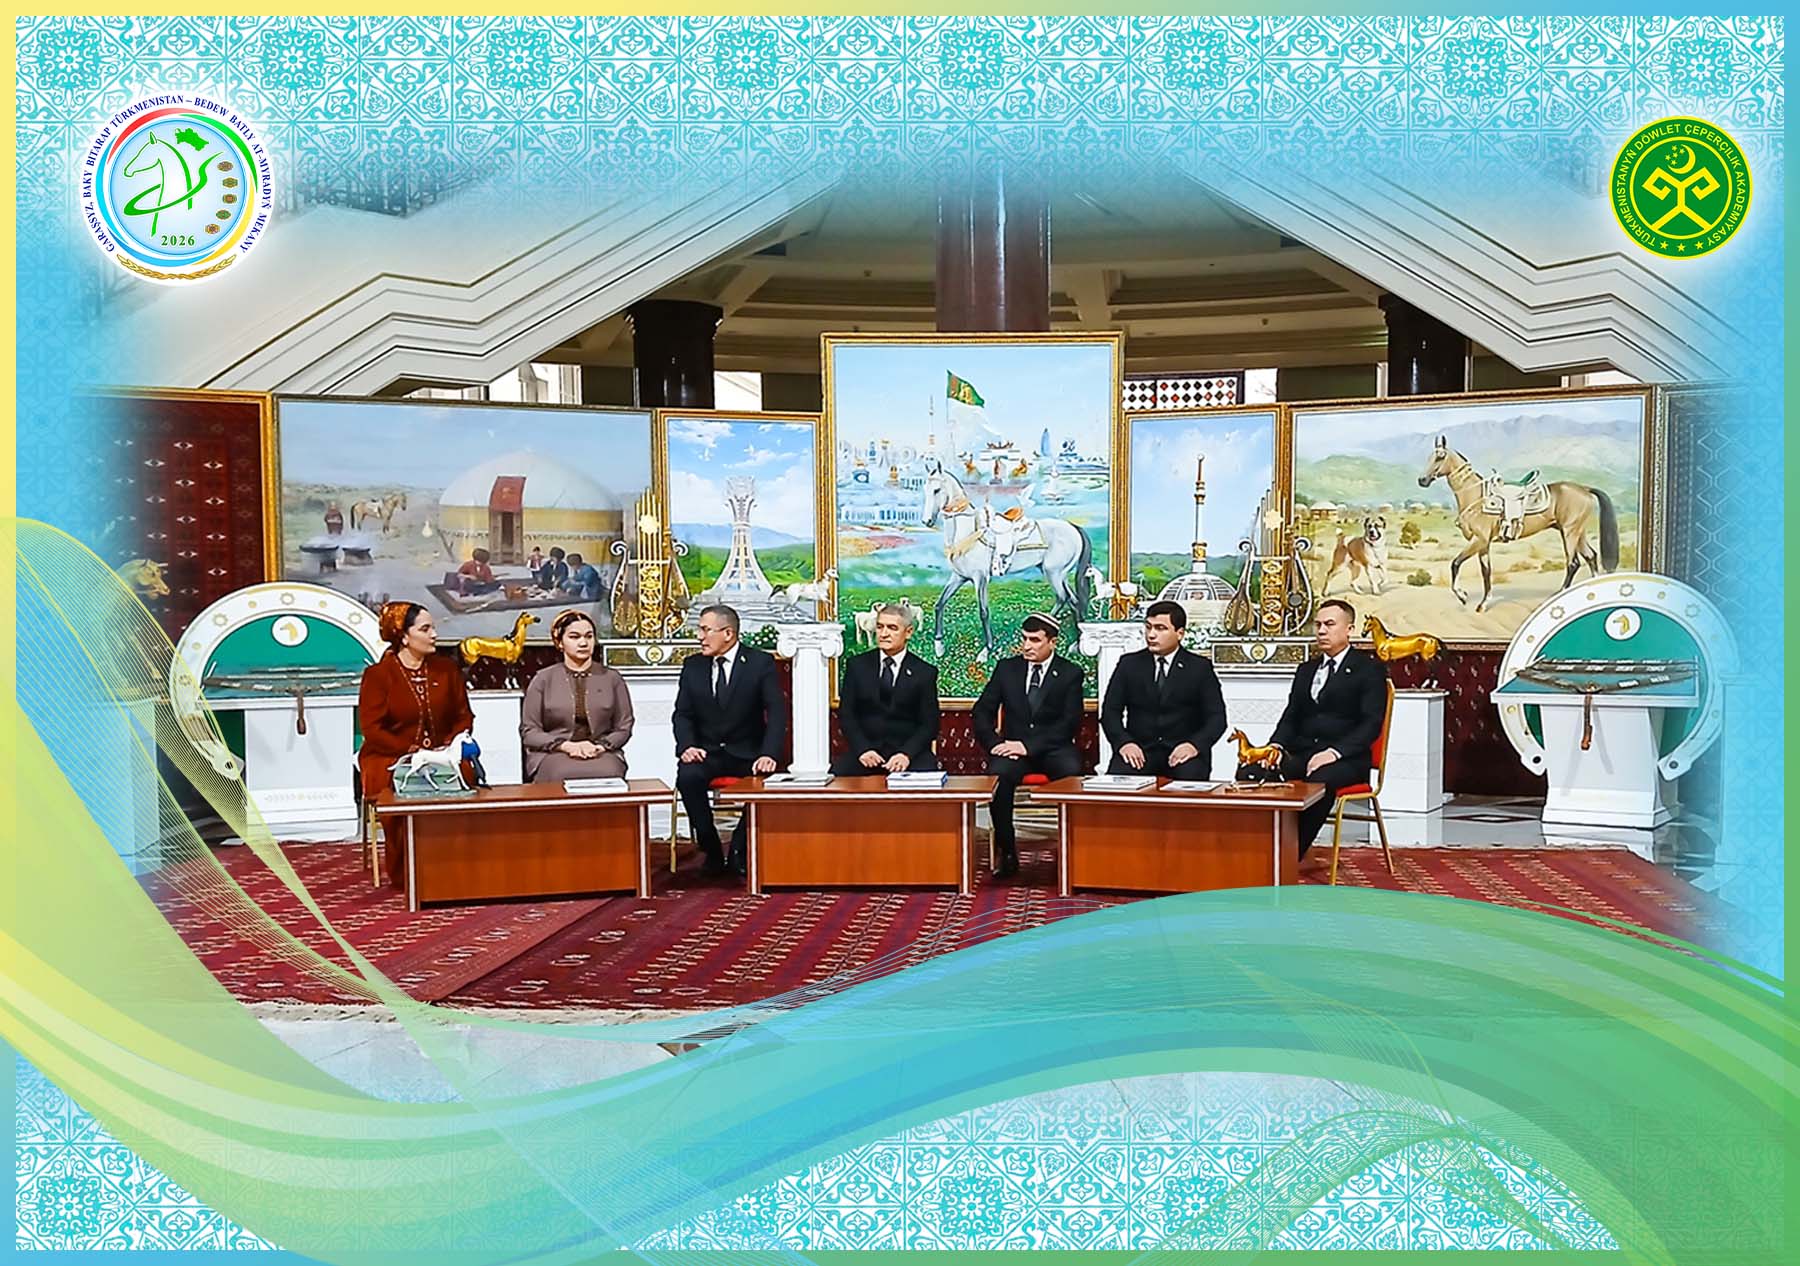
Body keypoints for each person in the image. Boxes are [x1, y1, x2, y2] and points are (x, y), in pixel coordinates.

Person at [1238, 598, 1388, 858]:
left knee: (1319, 781)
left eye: (1329, 624)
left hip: (1346, 759)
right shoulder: (1306, 669)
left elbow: (1370, 724)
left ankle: (1289, 854)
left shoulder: (1369, 670)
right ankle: (1252, 848)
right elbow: (1291, 716)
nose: (1321, 631)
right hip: (1303, 752)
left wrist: (1333, 753)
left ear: (1349, 629)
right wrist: (1274, 747)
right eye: (1318, 625)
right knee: (1251, 770)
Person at [672, 604, 787, 876]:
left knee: (768, 782)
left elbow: (777, 712)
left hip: (749, 753)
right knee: (687, 777)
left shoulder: (759, 663)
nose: (699, 636)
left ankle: (739, 849)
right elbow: (682, 714)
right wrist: (687, 746)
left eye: (705, 630)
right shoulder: (693, 666)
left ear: (728, 633)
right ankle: (710, 848)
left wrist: (769, 753)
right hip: (707, 752)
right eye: (699, 629)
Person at [972, 612, 1084, 878]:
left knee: (1072, 771)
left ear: (1052, 642)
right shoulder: (1007, 669)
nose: (1027, 646)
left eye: (1035, 640)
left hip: (1053, 748)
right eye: (1024, 639)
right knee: (999, 776)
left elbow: (1070, 723)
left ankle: (1073, 851)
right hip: (1012, 750)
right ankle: (1007, 851)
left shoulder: (1070, 673)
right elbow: (982, 711)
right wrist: (994, 744)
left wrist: (1028, 746)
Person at [357, 602, 476, 805]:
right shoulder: (378, 675)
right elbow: (372, 730)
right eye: (425, 629)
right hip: (391, 755)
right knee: (389, 778)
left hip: (441, 754)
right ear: (404, 636)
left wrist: (449, 747)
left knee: (462, 770)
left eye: (433, 628)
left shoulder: (447, 670)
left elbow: (464, 717)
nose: (434, 635)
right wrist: (412, 750)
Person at [1100, 599, 1226, 780]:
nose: (1151, 635)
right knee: (1117, 784)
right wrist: (1124, 743)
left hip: (1182, 752)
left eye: (1160, 628)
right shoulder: (1129, 664)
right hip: (1138, 751)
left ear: (1180, 633)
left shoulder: (1199, 668)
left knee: (1189, 779)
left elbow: (1217, 718)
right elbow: (1110, 712)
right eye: (1148, 627)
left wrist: (1193, 746)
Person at [520, 609, 634, 781]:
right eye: (574, 637)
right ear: (560, 642)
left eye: (589, 636)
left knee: (609, 772)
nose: (583, 643)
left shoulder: (612, 678)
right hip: (553, 753)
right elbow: (529, 731)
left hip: (601, 752)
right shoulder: (543, 679)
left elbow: (624, 726)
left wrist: (601, 747)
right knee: (559, 773)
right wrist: (565, 746)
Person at [833, 602, 940, 776]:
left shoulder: (924, 672)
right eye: (880, 627)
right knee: (838, 777)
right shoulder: (857, 666)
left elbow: (929, 724)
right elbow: (847, 714)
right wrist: (863, 749)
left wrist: (906, 754)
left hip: (909, 754)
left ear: (908, 632)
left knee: (927, 774)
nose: (883, 634)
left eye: (892, 628)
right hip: (866, 752)